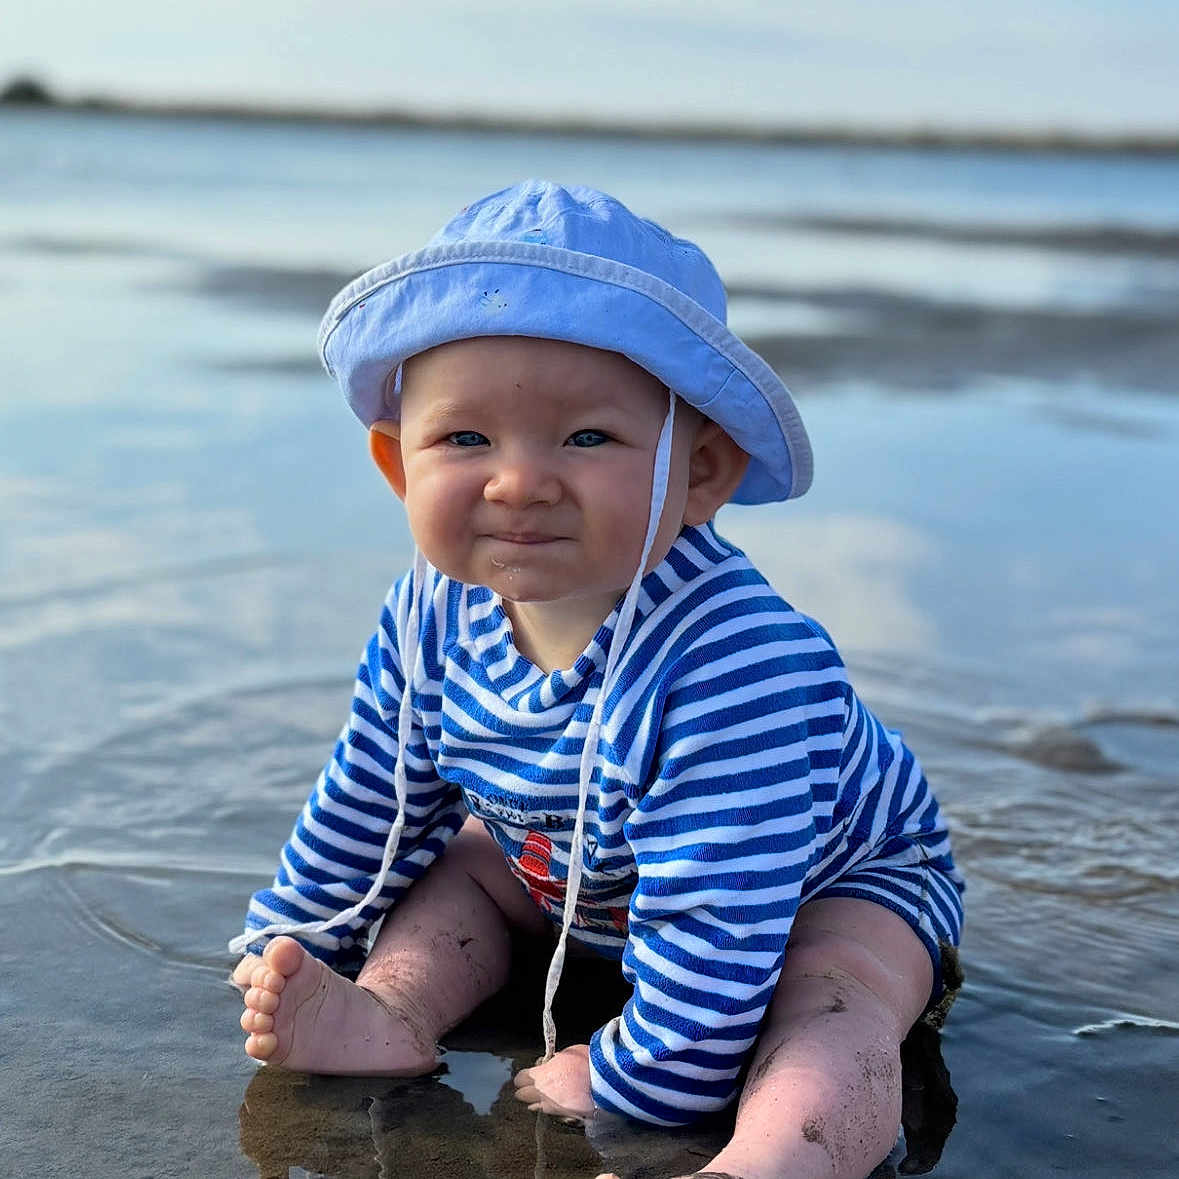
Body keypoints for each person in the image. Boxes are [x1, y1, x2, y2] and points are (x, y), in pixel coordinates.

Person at [230, 180, 964, 1179]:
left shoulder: (728, 655)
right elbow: (377, 797)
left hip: (815, 885)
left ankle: (776, 1161)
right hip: (576, 867)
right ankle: (390, 1013)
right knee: (462, 867)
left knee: (838, 998)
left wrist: (636, 1078)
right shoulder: (427, 614)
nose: (518, 480)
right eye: (465, 439)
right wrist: (292, 936)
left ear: (700, 473)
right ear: (398, 465)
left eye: (586, 438)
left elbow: (722, 918)